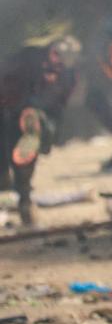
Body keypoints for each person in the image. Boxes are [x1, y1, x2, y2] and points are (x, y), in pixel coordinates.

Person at [0, 34, 80, 225]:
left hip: (28, 114)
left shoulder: (64, 72)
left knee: (24, 148)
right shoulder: (31, 58)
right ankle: (21, 199)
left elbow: (60, 101)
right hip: (19, 111)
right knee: (17, 151)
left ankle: (21, 198)